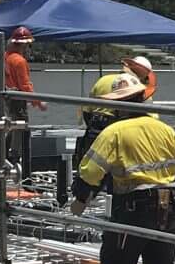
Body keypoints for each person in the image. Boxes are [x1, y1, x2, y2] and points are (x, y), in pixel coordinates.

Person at [69, 73, 175, 264]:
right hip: (168, 210)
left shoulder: (114, 132)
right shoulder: (165, 130)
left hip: (132, 210)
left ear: (118, 105)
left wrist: (80, 199)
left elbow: (90, 174)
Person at [56, 71, 132, 206]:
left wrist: (92, 127)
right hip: (117, 126)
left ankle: (82, 200)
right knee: (114, 167)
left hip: (96, 124)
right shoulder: (134, 86)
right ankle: (109, 200)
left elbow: (87, 111)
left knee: (92, 163)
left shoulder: (103, 80)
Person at [2, 25, 45, 169]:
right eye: (28, 45)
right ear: (24, 45)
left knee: (12, 127)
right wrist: (38, 102)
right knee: (21, 128)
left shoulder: (6, 57)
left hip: (8, 97)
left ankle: (4, 155)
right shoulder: (19, 61)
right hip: (17, 99)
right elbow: (25, 85)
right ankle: (15, 159)